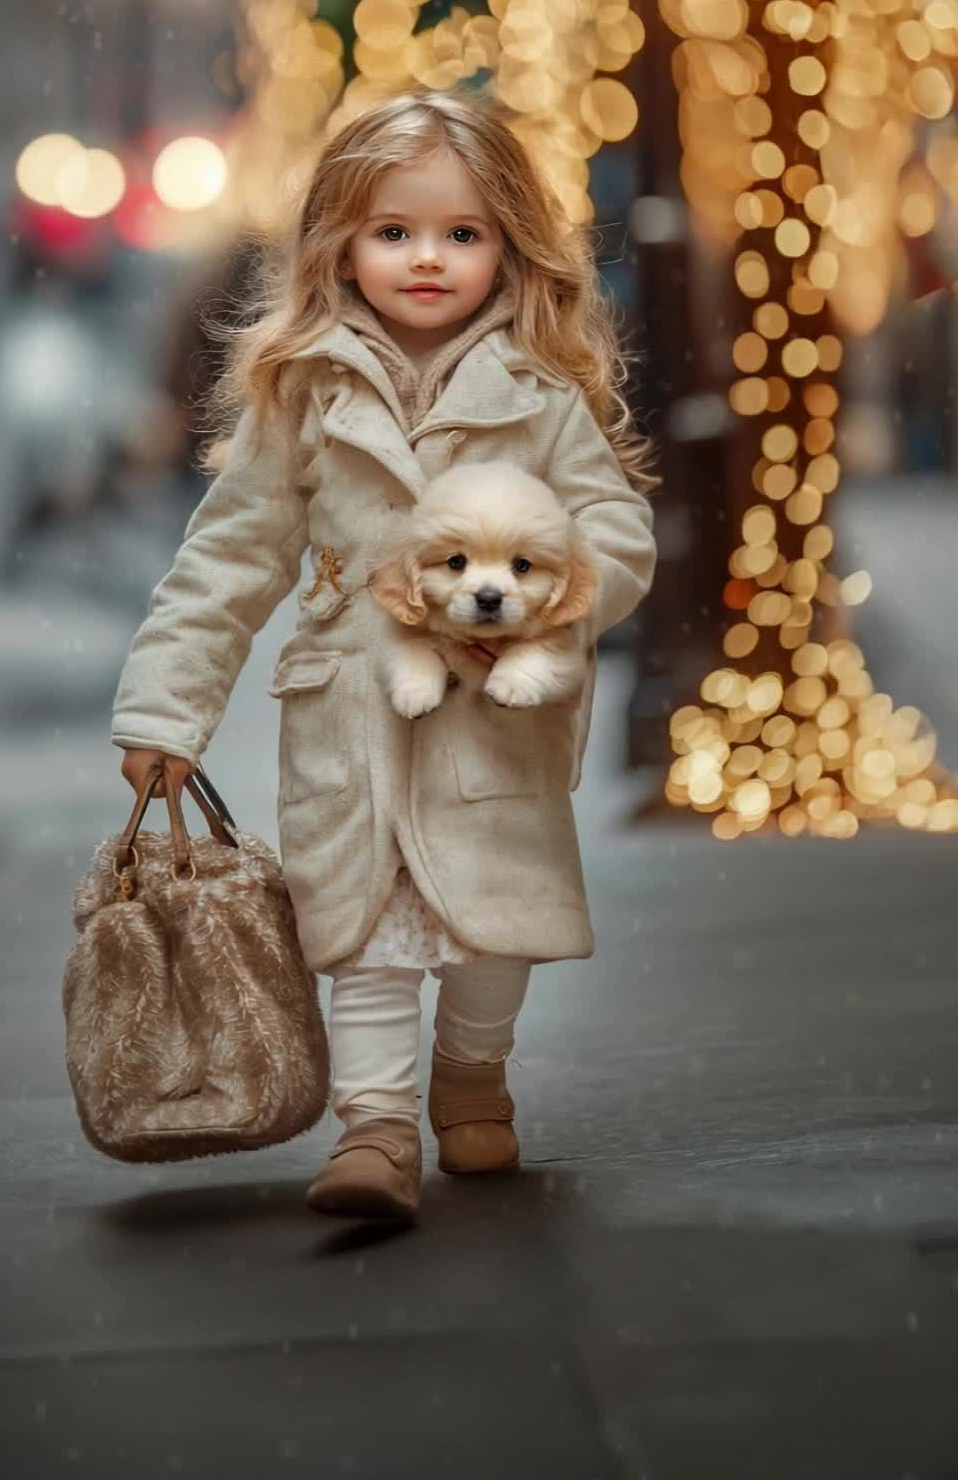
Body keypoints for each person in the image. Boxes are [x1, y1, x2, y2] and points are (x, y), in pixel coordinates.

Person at [112, 89, 658, 1224]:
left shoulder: (537, 391)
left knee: (491, 930)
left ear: (510, 246)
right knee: (365, 937)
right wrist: (167, 712)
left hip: (494, 715)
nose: (427, 258)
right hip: (353, 713)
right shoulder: (304, 391)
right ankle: (374, 1127)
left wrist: (548, 606)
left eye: (463, 233)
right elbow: (229, 559)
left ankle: (472, 1071)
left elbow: (613, 528)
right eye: (394, 231)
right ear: (339, 245)